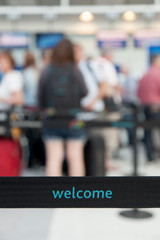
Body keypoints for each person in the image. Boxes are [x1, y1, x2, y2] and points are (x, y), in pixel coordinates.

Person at [38, 39, 88, 176]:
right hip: (73, 119)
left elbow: (40, 95)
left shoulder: (47, 70)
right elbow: (85, 92)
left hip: (52, 118)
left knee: (54, 158)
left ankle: (55, 194)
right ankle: (76, 194)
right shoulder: (75, 70)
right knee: (75, 157)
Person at [95, 49, 123, 169]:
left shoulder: (95, 63)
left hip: (97, 105)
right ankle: (107, 162)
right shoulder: (107, 65)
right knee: (109, 133)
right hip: (108, 104)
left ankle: (100, 160)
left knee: (98, 132)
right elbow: (113, 84)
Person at [138, 54, 160, 162]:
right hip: (157, 106)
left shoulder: (145, 75)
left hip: (145, 106)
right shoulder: (158, 74)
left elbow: (138, 92)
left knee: (148, 131)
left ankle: (150, 157)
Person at [73, 44, 107, 112]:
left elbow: (104, 86)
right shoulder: (69, 69)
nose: (75, 54)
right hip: (77, 110)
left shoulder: (91, 65)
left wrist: (92, 103)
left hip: (94, 108)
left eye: (77, 52)